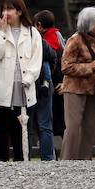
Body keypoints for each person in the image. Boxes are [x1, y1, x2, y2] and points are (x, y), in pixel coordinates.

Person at [0, 0, 43, 162]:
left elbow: (36, 60)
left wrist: (28, 78)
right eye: (3, 9)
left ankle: (22, 160)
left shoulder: (32, 33)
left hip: (24, 89)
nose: (5, 13)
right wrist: (2, 32)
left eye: (9, 9)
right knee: (0, 128)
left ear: (19, 11)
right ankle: (0, 162)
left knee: (22, 128)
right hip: (2, 88)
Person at [60, 7, 95, 160]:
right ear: (90, 24)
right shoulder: (75, 40)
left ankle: (84, 160)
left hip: (92, 89)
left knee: (89, 126)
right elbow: (65, 67)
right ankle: (67, 160)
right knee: (73, 127)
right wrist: (89, 66)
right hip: (74, 89)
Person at [34, 10, 66, 143]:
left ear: (40, 25)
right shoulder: (58, 34)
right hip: (59, 80)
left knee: (55, 120)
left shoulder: (49, 38)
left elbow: (49, 55)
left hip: (54, 81)